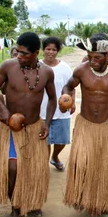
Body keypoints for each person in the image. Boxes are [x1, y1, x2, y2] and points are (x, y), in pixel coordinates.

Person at [0, 32, 56, 217]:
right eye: (17, 52)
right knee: (12, 168)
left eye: (24, 53)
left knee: (34, 169)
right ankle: (15, 207)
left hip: (35, 127)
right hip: (13, 129)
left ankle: (33, 203)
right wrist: (3, 110)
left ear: (36, 53)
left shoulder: (46, 72)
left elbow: (52, 99)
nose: (19, 56)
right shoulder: (8, 66)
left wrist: (48, 124)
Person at [61, 37, 108, 216]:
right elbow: (68, 86)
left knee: (104, 166)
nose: (92, 61)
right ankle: (79, 196)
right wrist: (67, 99)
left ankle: (104, 201)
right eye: (90, 56)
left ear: (107, 55)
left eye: (97, 58)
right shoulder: (82, 70)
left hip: (106, 125)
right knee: (81, 163)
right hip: (85, 124)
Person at [40, 37, 74, 171]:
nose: (50, 52)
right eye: (48, 49)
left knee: (62, 140)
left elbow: (71, 86)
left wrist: (72, 103)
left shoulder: (64, 67)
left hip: (61, 109)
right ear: (43, 50)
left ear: (58, 51)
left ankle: (55, 156)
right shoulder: (37, 65)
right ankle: (44, 165)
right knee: (44, 140)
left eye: (54, 49)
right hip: (42, 109)